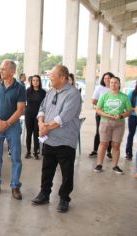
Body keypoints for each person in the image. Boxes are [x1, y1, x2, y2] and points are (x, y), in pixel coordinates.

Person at [31, 65, 81, 213]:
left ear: (63, 78)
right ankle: (44, 193)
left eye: (52, 75)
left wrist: (45, 127)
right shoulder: (51, 92)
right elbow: (42, 109)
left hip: (65, 140)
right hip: (49, 139)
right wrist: (41, 123)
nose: (49, 77)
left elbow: (64, 117)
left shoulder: (73, 94)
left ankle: (64, 198)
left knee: (66, 173)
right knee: (47, 169)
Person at [0, 59, 26, 200]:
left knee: (15, 158)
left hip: (12, 126)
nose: (0, 71)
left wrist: (6, 123)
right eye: (1, 69)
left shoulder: (20, 88)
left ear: (12, 71)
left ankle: (15, 186)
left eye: (3, 69)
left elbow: (20, 110)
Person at [94, 77, 131, 174]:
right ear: (109, 84)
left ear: (119, 84)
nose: (113, 85)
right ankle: (99, 164)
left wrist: (121, 115)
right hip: (105, 122)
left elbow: (129, 111)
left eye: (115, 83)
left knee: (116, 145)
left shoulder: (124, 97)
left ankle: (115, 166)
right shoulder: (104, 96)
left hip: (119, 123)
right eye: (111, 83)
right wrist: (106, 115)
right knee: (103, 143)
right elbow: (98, 109)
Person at [89, 72, 114, 158]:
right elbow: (93, 101)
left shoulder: (114, 88)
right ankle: (95, 150)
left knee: (110, 132)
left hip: (112, 115)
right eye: (105, 78)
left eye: (109, 78)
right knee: (99, 132)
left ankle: (109, 152)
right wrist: (102, 107)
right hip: (100, 114)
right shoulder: (99, 88)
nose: (107, 80)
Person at [24, 75, 46, 159]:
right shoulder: (28, 91)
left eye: (37, 80)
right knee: (29, 133)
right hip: (29, 114)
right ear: (31, 82)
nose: (35, 82)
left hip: (38, 116)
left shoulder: (43, 92)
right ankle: (28, 151)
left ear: (39, 82)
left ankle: (36, 152)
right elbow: (24, 103)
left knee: (37, 134)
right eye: (33, 80)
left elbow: (45, 105)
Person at [125, 80, 137, 160]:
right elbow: (127, 106)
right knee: (131, 134)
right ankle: (129, 153)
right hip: (133, 116)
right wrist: (135, 109)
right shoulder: (132, 93)